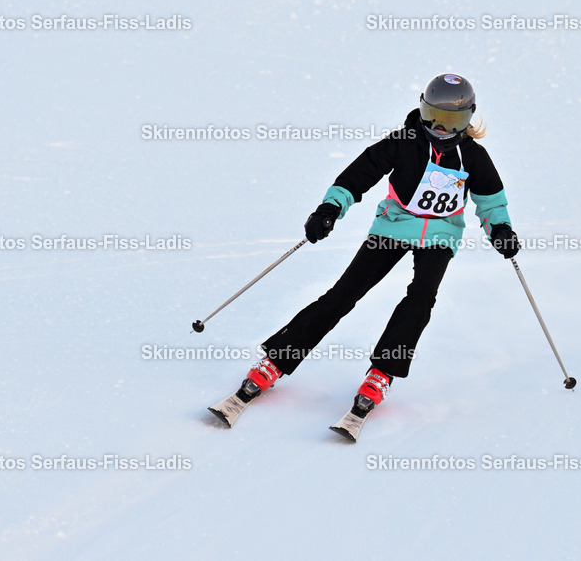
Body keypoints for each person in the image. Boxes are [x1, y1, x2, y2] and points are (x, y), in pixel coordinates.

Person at [215, 73, 519, 424]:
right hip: (393, 226)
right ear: (421, 109)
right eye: (433, 116)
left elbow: (491, 201)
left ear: (467, 119)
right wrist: (329, 209)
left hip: (440, 235)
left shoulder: (473, 157)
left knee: (421, 298)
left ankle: (381, 373)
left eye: (451, 121)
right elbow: (360, 173)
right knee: (344, 294)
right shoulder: (404, 142)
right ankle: (275, 361)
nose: (439, 127)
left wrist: (500, 230)